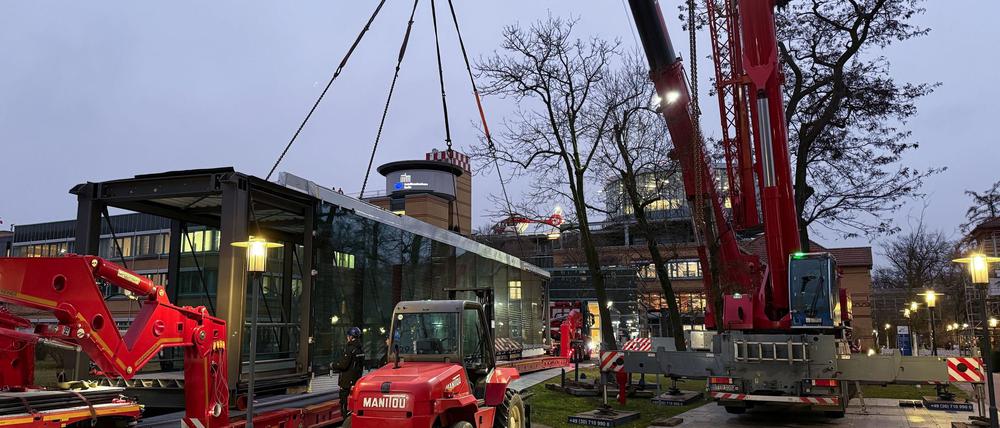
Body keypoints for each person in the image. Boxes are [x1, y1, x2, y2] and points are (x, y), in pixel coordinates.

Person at [331, 326, 365, 418]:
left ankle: (346, 421)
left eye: (348, 336)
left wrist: (333, 365)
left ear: (351, 337)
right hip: (356, 381)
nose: (347, 338)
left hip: (346, 382)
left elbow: (343, 365)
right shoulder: (361, 349)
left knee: (344, 403)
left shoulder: (350, 349)